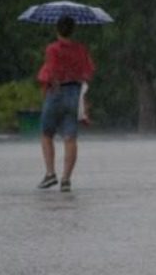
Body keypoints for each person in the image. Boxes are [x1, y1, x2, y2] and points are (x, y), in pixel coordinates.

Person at [36, 15, 95, 192]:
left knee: (47, 134)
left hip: (56, 91)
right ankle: (66, 179)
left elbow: (52, 70)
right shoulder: (81, 49)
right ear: (73, 30)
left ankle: (50, 173)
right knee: (70, 137)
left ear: (57, 29)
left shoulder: (52, 49)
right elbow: (88, 72)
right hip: (74, 93)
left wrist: (54, 86)